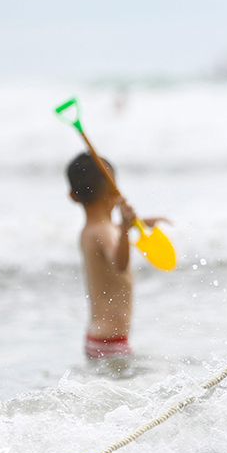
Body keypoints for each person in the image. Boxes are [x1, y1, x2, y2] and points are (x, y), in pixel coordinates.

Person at [66, 153, 149, 360]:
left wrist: (137, 224)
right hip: (111, 344)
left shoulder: (90, 230)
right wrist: (126, 229)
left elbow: (112, 231)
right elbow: (119, 263)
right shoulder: (106, 232)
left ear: (73, 196)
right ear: (114, 190)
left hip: (98, 339)